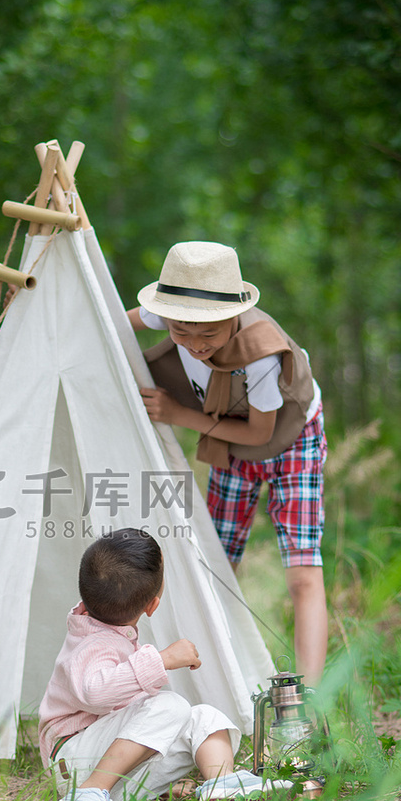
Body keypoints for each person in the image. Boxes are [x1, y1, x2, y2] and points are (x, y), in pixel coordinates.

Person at [127, 241, 328, 687]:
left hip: (293, 441)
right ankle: (216, 676)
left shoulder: (261, 354)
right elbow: (109, 327)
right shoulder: (175, 315)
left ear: (232, 315)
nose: (194, 345)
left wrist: (179, 416)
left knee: (301, 573)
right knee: (217, 563)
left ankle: (310, 699)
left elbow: (260, 433)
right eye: (181, 332)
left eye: (209, 335)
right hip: (231, 438)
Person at [39, 528, 291, 801]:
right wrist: (162, 659)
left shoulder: (106, 629)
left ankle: (221, 781)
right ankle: (89, 793)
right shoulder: (92, 644)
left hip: (109, 764)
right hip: (74, 765)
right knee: (170, 706)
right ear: (152, 606)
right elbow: (95, 693)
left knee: (202, 717)